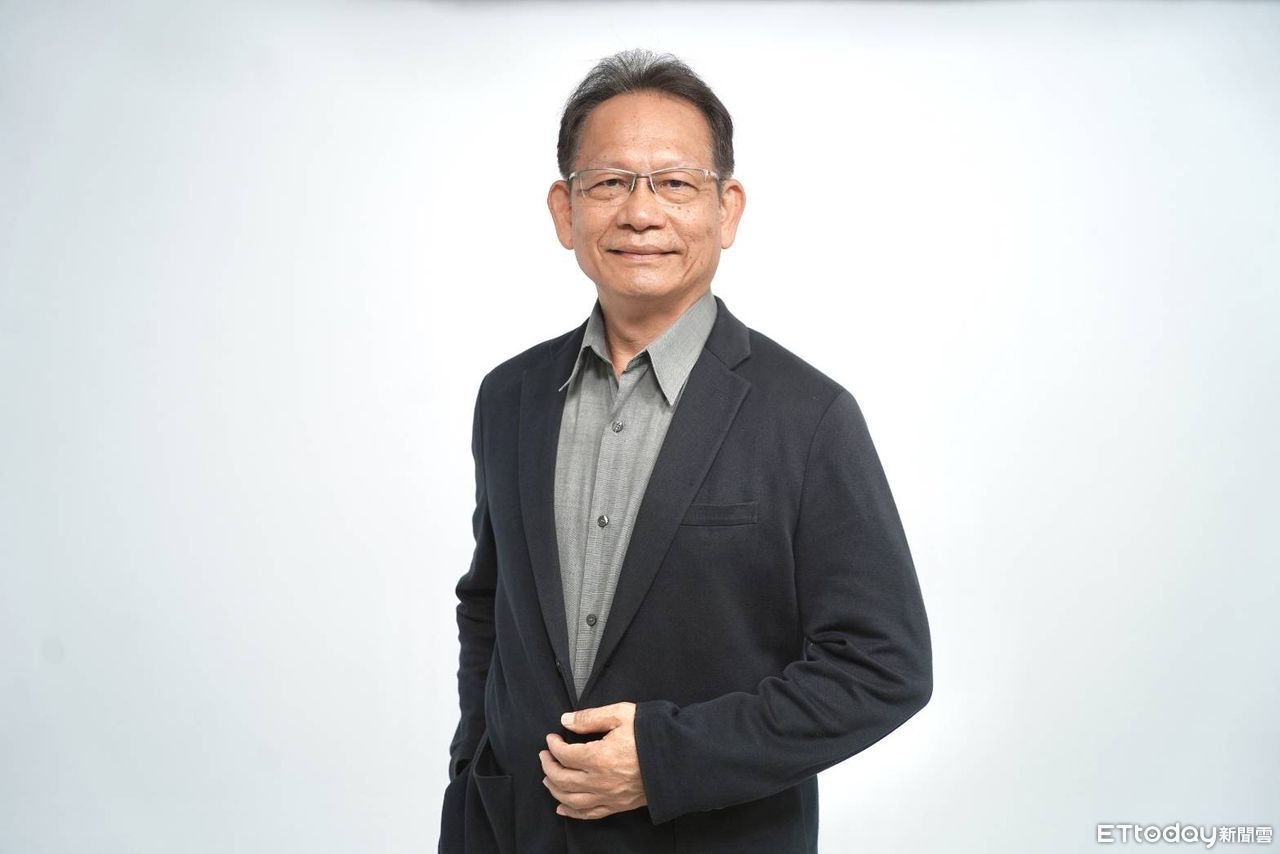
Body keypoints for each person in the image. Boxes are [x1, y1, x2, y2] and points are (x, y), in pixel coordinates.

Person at [439, 48, 932, 854]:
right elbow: (488, 608)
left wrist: (667, 760)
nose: (640, 213)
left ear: (726, 209)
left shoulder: (807, 416)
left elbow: (884, 667)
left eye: (674, 183)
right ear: (565, 210)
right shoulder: (510, 397)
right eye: (609, 182)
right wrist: (472, 770)